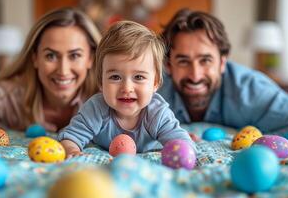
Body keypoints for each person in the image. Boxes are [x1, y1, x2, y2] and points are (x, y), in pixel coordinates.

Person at [0, 8, 101, 137]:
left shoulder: (107, 96)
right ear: (35, 58)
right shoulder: (3, 96)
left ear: (90, 58)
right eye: (51, 56)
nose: (63, 70)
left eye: (74, 55)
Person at [58, 21, 194, 157]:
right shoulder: (96, 109)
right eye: (115, 77)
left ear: (155, 83)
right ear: (101, 82)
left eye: (139, 77)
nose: (127, 88)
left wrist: (182, 148)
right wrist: (72, 151)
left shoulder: (157, 113)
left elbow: (183, 145)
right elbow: (70, 137)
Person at [158, 8, 288, 133]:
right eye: (183, 61)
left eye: (205, 60)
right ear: (169, 66)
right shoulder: (152, 89)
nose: (195, 75)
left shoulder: (250, 90)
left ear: (222, 63)